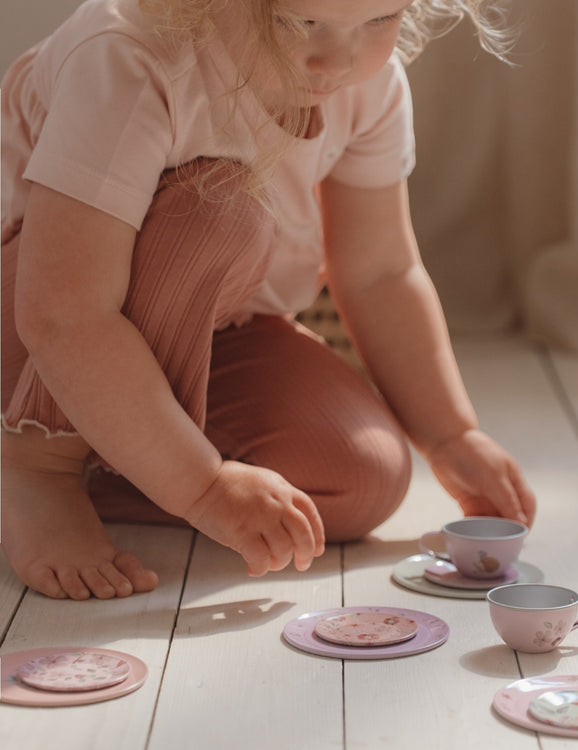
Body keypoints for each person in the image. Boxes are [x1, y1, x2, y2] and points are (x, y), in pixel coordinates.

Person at [1, 0, 536, 601]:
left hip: (211, 325)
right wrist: (202, 486)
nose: (336, 60)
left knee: (360, 481)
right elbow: (63, 314)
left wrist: (451, 435)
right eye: (299, 22)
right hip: (36, 324)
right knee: (217, 210)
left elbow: (380, 271)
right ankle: (36, 463)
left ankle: (123, 454)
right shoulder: (128, 58)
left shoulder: (368, 85)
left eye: (379, 21)